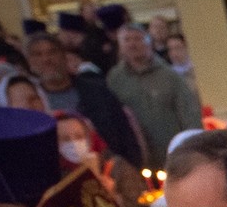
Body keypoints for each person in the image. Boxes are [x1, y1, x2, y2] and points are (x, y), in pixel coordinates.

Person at [26, 32, 141, 166]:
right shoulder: (32, 103)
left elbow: (125, 134)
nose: (47, 59)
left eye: (52, 52)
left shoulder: (97, 91)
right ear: (30, 62)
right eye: (38, 54)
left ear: (64, 56)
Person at [106, 24, 201, 167]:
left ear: (149, 42)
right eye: (127, 40)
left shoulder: (169, 75)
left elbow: (189, 113)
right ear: (120, 45)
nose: (132, 44)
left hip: (172, 154)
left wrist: (193, 149)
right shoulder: (114, 79)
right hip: (137, 158)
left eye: (137, 39)